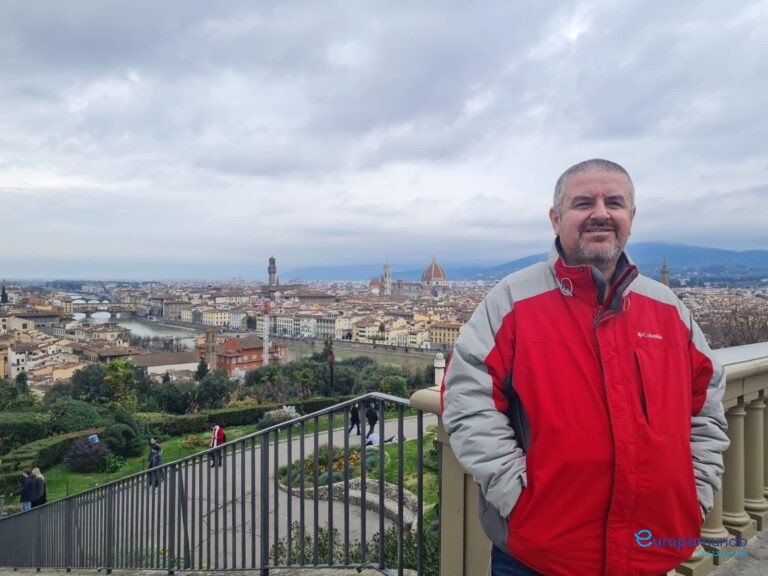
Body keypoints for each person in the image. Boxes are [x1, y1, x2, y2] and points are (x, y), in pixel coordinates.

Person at [442, 159, 729, 576]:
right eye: (583, 203)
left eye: (614, 202)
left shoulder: (670, 311)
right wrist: (518, 498)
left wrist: (694, 493)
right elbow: (468, 398)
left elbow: (706, 409)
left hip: (647, 551)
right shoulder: (511, 301)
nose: (600, 212)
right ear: (556, 219)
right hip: (539, 554)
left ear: (631, 216)